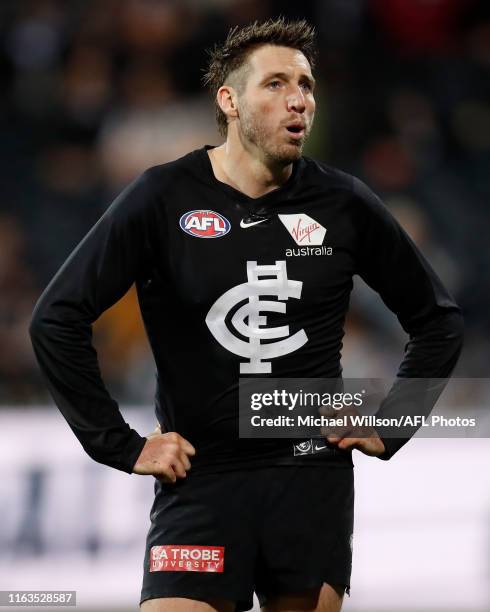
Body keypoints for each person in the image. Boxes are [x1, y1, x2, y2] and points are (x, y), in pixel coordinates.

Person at [29, 17, 464, 612]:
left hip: (311, 478)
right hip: (201, 481)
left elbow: (438, 320)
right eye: (277, 83)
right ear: (228, 100)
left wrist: (392, 423)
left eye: (307, 86)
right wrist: (120, 445)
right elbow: (56, 319)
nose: (299, 100)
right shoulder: (163, 197)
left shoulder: (344, 203)